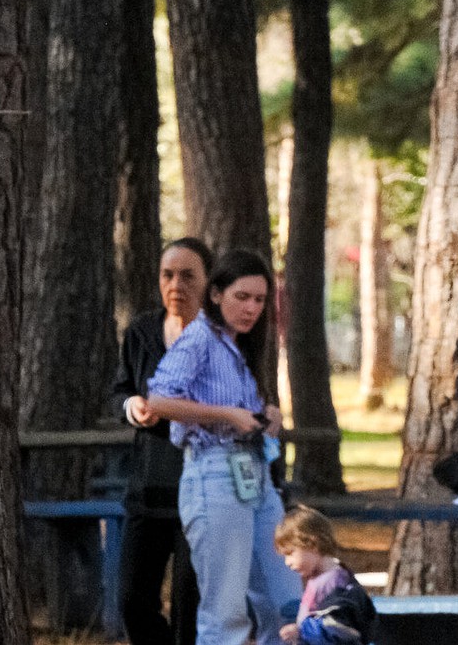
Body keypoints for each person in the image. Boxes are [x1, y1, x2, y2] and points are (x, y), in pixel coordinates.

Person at [147, 249, 302, 645]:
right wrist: (227, 415)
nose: (251, 308)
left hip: (254, 476)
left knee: (286, 598)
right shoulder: (199, 337)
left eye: (260, 300)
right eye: (241, 297)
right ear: (216, 295)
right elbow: (159, 400)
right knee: (226, 609)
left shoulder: (237, 346)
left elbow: (246, 409)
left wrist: (266, 414)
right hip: (213, 474)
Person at [111, 236, 215, 645]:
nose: (176, 285)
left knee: (189, 609)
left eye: (188, 276)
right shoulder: (141, 332)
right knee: (133, 602)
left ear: (208, 282)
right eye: (168, 275)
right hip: (147, 489)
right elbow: (120, 389)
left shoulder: (219, 339)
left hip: (202, 492)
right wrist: (132, 404)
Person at [274, 506, 377, 645]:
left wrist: (301, 631)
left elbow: (340, 628)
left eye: (291, 553)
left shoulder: (336, 584)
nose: (287, 562)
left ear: (312, 544)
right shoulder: (321, 578)